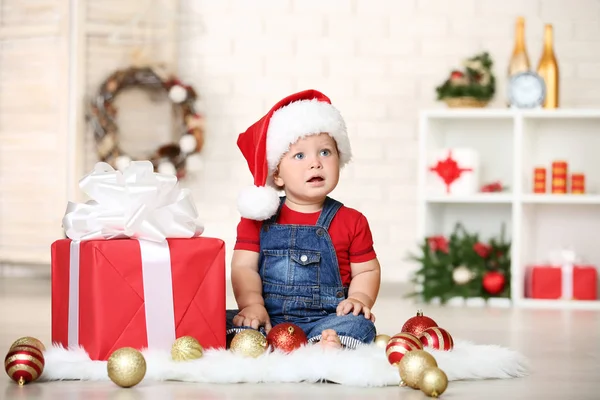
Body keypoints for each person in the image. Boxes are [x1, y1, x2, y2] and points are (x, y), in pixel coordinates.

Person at [227, 89, 381, 349]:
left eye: (325, 152)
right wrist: (252, 305)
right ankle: (262, 337)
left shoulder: (352, 220)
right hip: (268, 317)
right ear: (277, 175)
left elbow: (367, 269)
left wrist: (359, 298)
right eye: (300, 156)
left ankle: (326, 342)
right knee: (223, 319)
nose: (315, 164)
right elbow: (243, 268)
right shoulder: (257, 218)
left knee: (360, 325)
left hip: (326, 320)